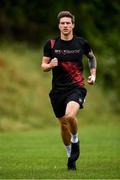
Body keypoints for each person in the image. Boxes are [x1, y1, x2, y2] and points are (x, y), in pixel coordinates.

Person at [41, 11, 97, 170]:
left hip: (76, 88)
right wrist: (50, 66)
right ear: (59, 26)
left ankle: (75, 140)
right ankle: (69, 155)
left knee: (70, 116)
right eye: (62, 23)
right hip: (57, 92)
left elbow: (91, 57)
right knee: (63, 124)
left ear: (73, 25)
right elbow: (43, 66)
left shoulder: (81, 43)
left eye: (68, 23)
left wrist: (93, 75)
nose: (65, 25)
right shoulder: (51, 44)